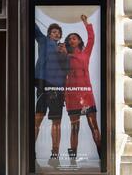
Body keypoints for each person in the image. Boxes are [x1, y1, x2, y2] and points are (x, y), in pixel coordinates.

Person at [64, 14, 101, 160]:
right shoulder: (64, 55)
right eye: (69, 38)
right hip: (71, 95)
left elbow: (91, 39)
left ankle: (101, 155)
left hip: (86, 94)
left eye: (74, 37)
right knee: (74, 129)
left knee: (94, 126)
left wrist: (87, 24)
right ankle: (72, 161)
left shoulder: (86, 53)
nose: (71, 39)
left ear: (79, 41)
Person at [34, 21, 68, 159]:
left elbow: (68, 70)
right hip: (43, 84)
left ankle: (55, 154)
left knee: (56, 121)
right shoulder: (43, 41)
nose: (57, 34)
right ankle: (31, 150)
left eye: (59, 32)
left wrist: (65, 53)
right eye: (54, 32)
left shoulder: (63, 49)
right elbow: (35, 29)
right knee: (37, 118)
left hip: (58, 87)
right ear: (49, 34)